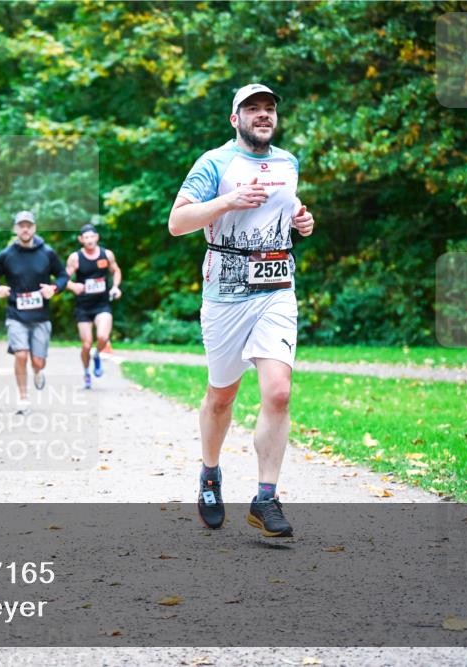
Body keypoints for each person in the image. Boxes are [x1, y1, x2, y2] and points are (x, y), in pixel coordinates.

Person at [167, 83, 315, 537]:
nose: (263, 115)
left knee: (278, 392)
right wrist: (228, 201)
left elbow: (284, 213)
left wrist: (302, 222)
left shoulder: (288, 162)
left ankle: (265, 499)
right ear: (236, 119)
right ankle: (210, 474)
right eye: (253, 109)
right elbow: (177, 223)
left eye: (269, 108)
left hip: (276, 288)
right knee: (222, 396)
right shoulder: (215, 163)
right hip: (226, 296)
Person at [0, 210, 69, 414]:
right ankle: (23, 398)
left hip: (40, 316)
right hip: (16, 315)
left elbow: (63, 276)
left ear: (34, 228)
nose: (25, 229)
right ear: (15, 229)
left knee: (38, 361)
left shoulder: (47, 252)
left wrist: (54, 288)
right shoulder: (7, 254)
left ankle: (38, 371)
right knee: (21, 354)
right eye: (21, 225)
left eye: (28, 225)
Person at [65, 222, 122, 389]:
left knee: (103, 337)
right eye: (86, 237)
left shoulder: (106, 255)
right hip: (83, 306)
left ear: (97, 237)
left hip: (102, 304)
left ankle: (97, 356)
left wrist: (115, 287)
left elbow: (116, 271)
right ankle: (86, 373)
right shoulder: (75, 258)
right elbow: (63, 279)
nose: (89, 240)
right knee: (86, 344)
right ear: (81, 239)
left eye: (92, 236)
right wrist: (73, 286)